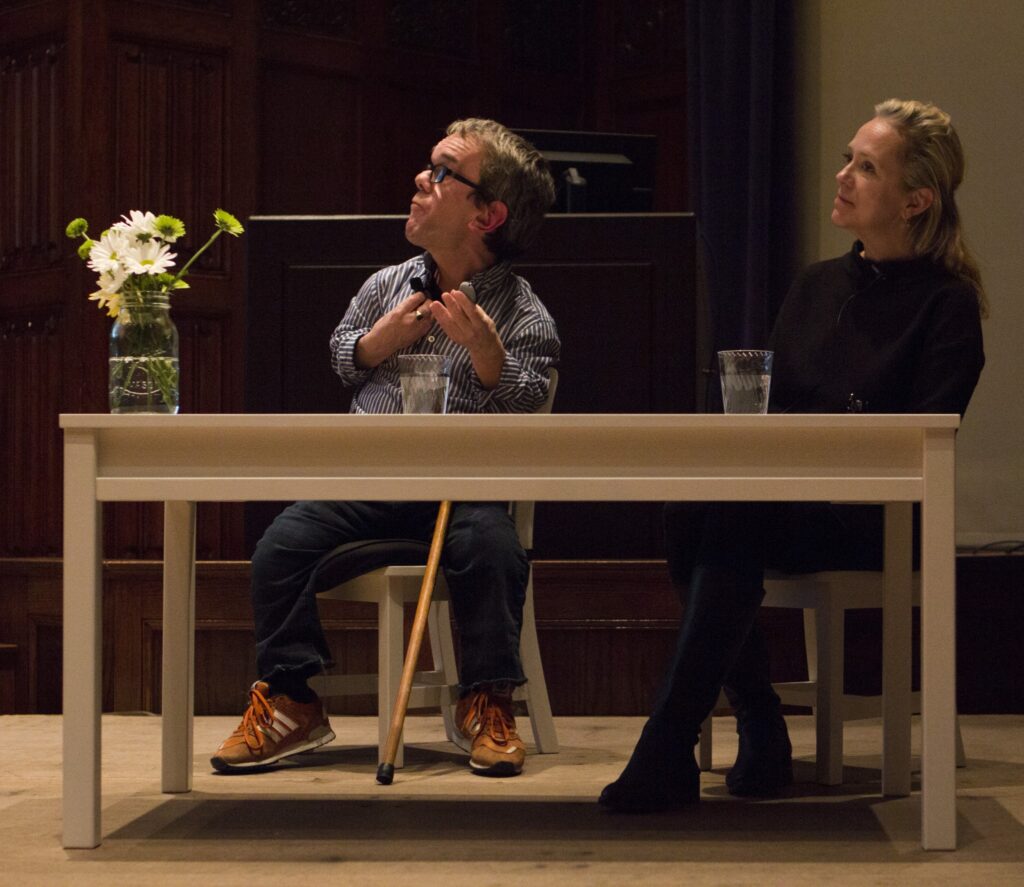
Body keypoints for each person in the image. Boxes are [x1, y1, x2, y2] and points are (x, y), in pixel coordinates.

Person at [599, 98, 986, 811]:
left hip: (879, 517)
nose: (842, 176)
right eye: (847, 159)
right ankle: (755, 718)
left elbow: (923, 439)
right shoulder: (816, 285)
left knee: (731, 515)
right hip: (789, 504)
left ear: (915, 200)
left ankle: (677, 740)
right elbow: (770, 413)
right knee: (690, 510)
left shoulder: (948, 305)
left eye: (866, 168)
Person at [212, 119, 559, 777]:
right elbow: (343, 355)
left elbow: (527, 410)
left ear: (486, 215)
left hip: (461, 496)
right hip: (367, 487)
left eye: (442, 172)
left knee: (493, 549)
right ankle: (292, 700)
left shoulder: (523, 314)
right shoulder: (386, 285)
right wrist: (378, 343)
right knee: (279, 549)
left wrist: (489, 355)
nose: (420, 178)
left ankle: (486, 700)